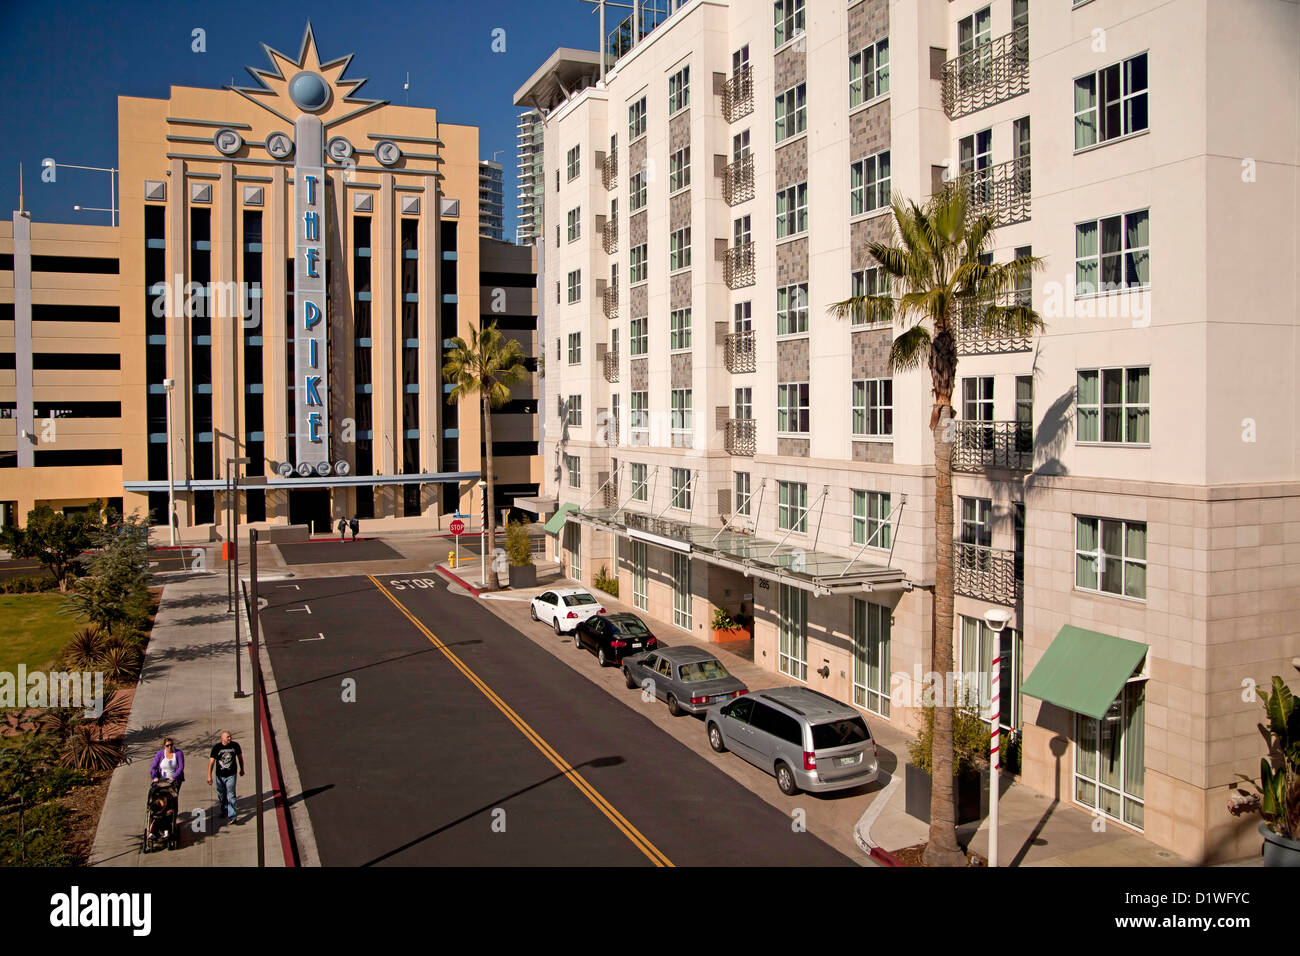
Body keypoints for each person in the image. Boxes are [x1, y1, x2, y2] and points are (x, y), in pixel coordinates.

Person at [207, 730, 245, 823]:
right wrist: (209, 776)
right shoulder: (217, 748)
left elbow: (240, 758)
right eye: (227, 737)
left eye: (230, 736)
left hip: (231, 775)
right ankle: (224, 810)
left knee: (231, 794)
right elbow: (211, 762)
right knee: (221, 794)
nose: (230, 738)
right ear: (222, 738)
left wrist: (242, 769)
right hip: (219, 776)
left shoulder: (235, 745)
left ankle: (232, 816)